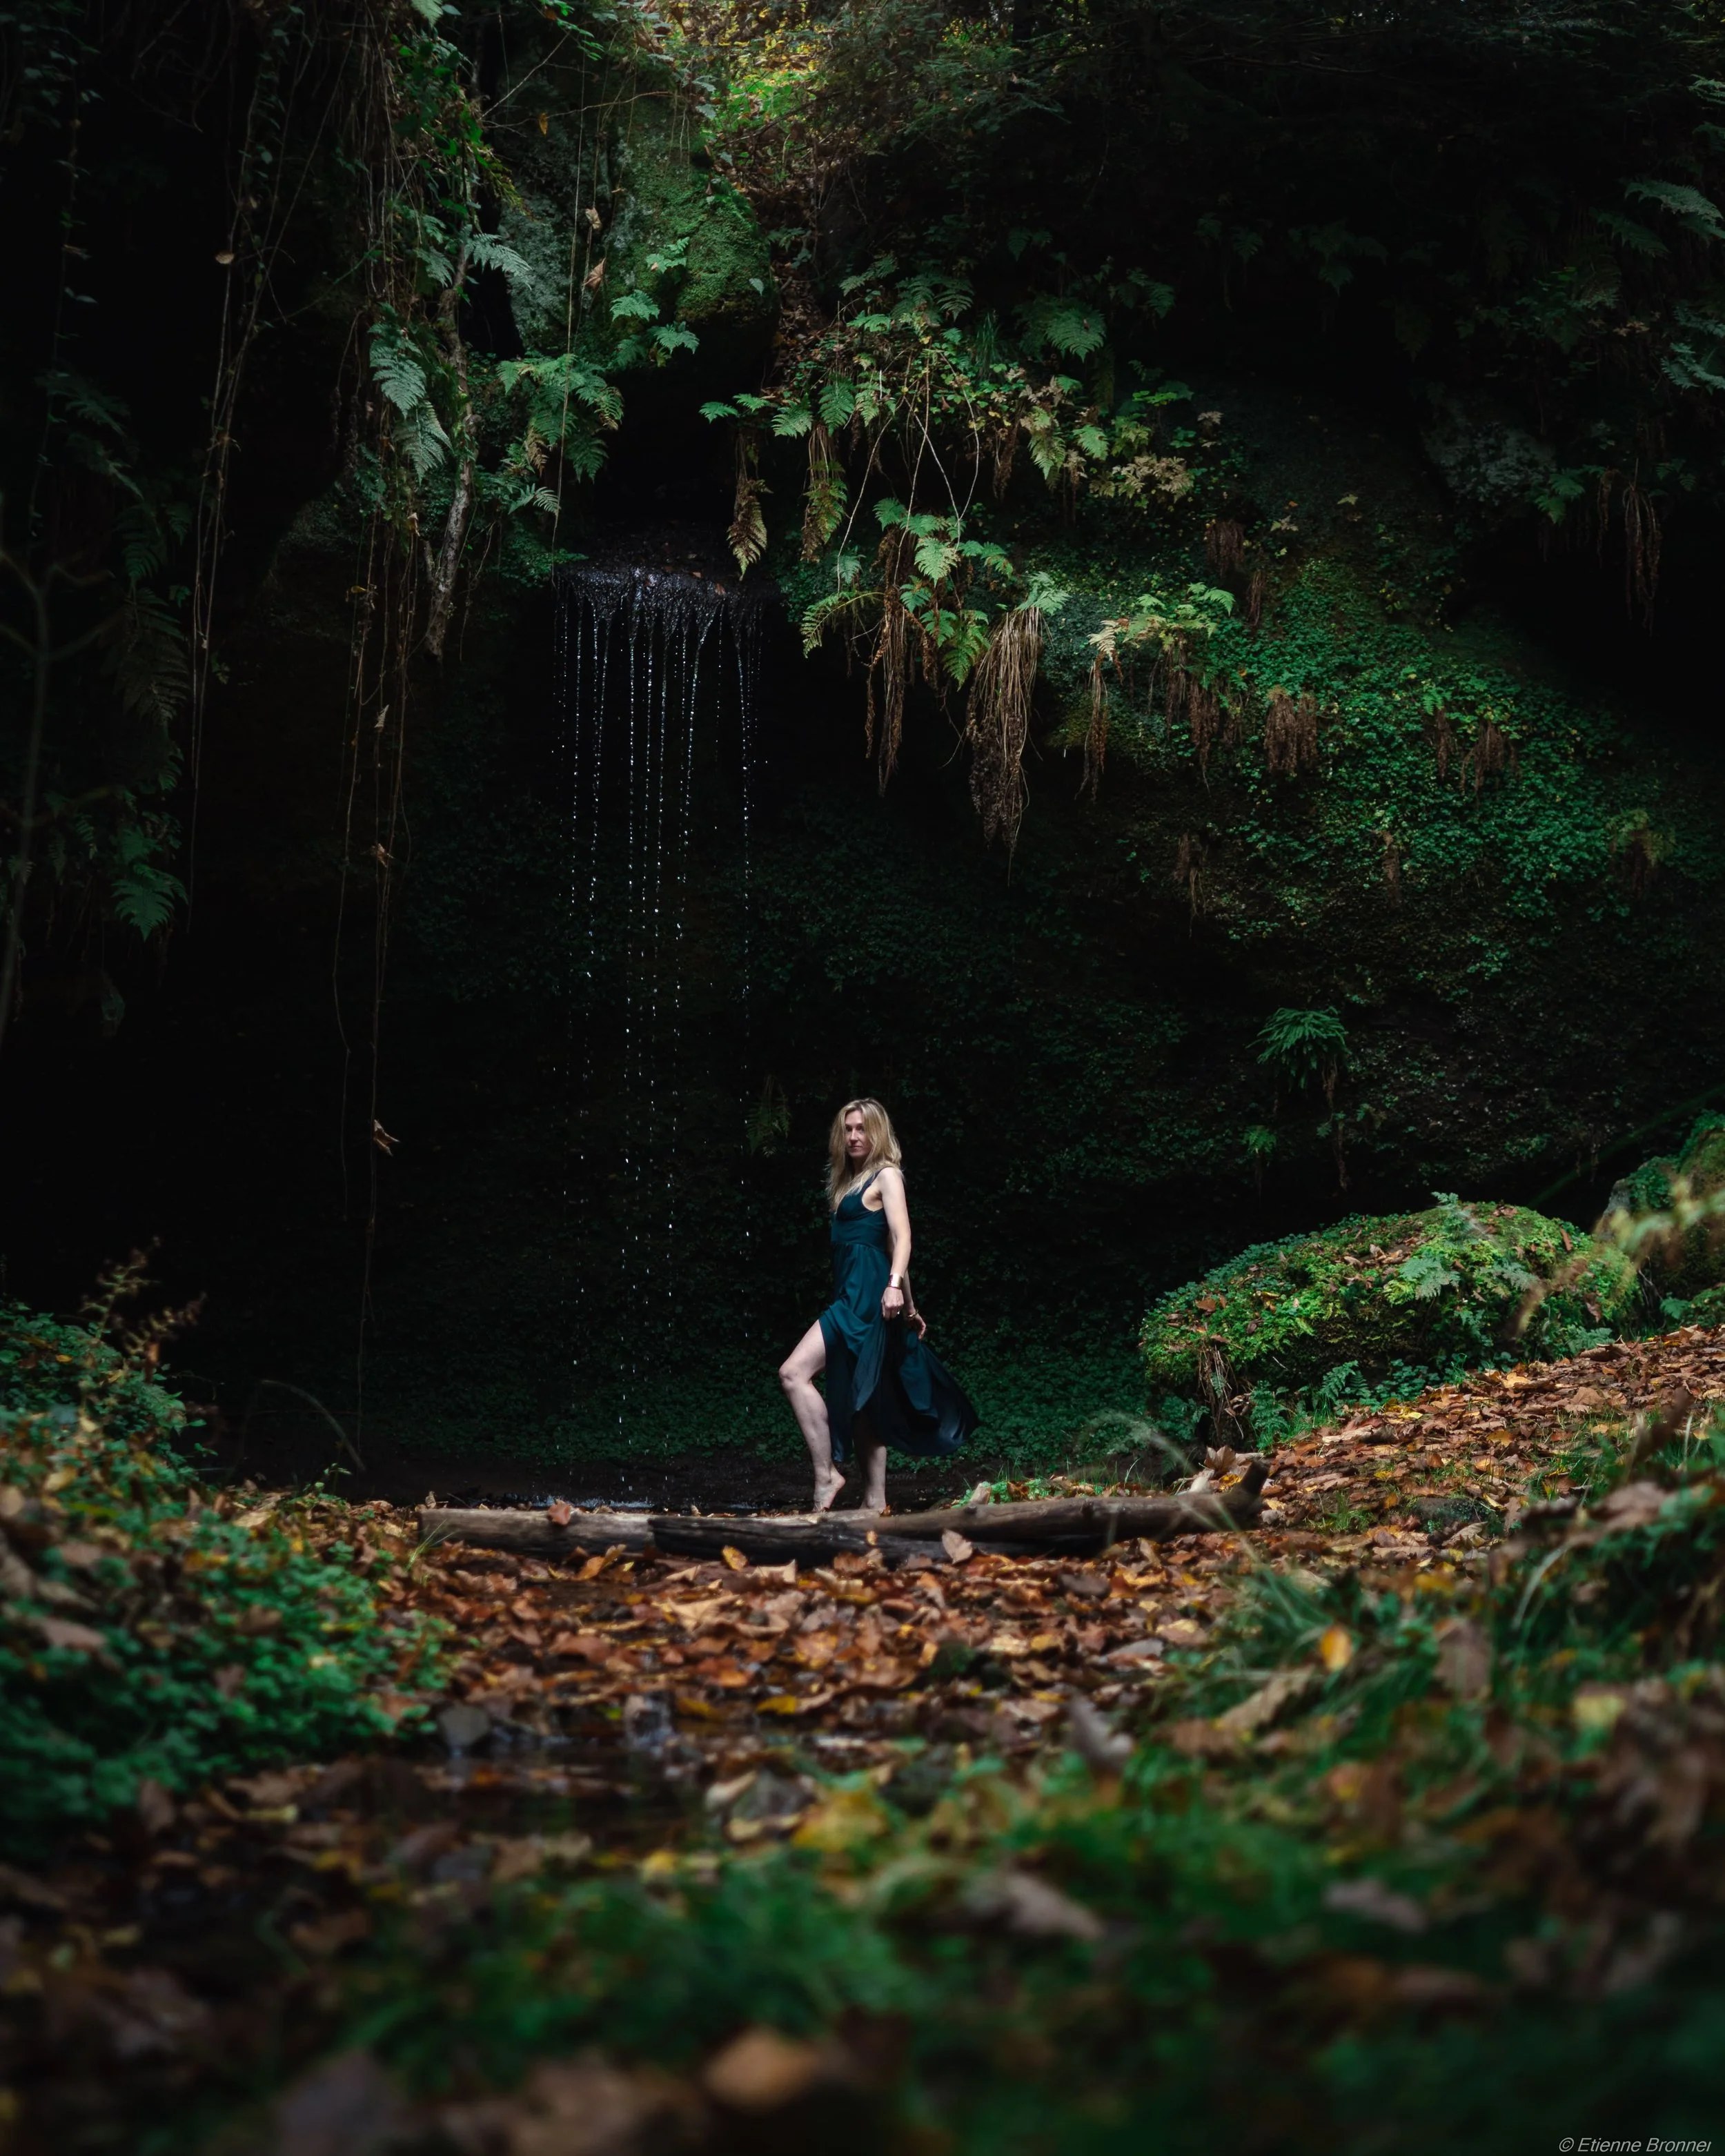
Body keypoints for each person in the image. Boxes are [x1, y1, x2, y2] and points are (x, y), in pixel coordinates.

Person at [778, 1097, 978, 1512]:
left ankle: (827, 1476)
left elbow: (901, 1239)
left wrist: (893, 1290)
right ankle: (875, 1506)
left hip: (868, 1302)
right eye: (848, 1128)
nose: (854, 1136)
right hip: (852, 1297)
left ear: (878, 1132)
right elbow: (886, 1247)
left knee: (794, 1373)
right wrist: (911, 1304)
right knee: (866, 1403)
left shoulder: (887, 1175)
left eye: (862, 1128)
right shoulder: (847, 1183)